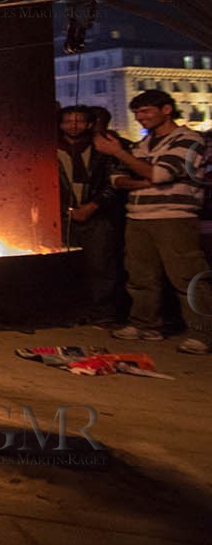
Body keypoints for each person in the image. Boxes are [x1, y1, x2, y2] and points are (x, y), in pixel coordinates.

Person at [94, 90, 210, 354]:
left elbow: (159, 173)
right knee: (140, 276)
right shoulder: (142, 146)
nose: (139, 118)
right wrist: (142, 176)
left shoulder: (188, 140)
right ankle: (145, 324)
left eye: (145, 111)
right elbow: (116, 179)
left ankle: (202, 333)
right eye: (136, 113)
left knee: (186, 276)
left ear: (167, 109)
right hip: (138, 217)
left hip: (174, 218)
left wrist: (121, 155)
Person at [56, 105, 127, 326]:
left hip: (98, 216)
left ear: (89, 124)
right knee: (68, 268)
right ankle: (74, 311)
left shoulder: (102, 150)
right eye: (68, 121)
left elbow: (113, 183)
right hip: (63, 218)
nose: (73, 126)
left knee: (101, 266)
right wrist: (66, 210)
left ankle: (103, 312)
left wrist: (93, 206)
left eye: (78, 121)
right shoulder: (51, 149)